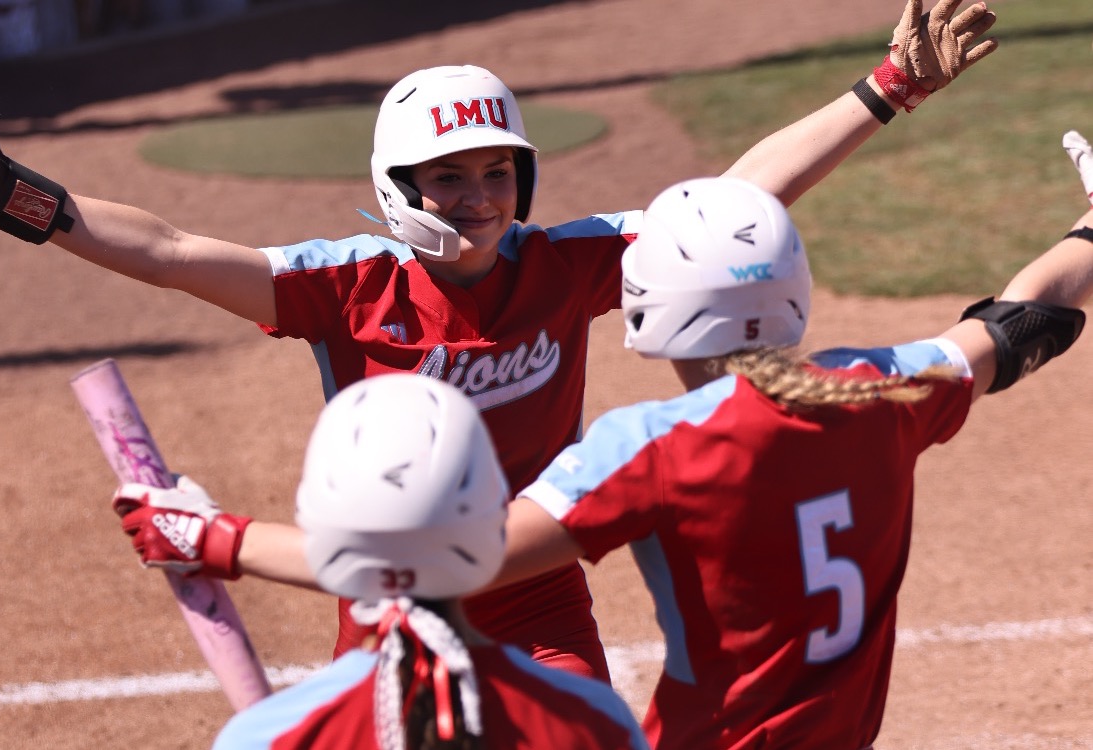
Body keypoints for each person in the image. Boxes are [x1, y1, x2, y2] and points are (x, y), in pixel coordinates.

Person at [0, 0, 998, 681]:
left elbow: (729, 196)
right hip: (394, 597)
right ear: (397, 186)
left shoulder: (563, 262)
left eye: (495, 173)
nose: (476, 196)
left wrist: (887, 87)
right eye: (448, 178)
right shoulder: (345, 283)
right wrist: (17, 198)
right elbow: (168, 249)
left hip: (538, 588)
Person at [137, 158, 1093, 748]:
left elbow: (437, 561)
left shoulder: (650, 447)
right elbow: (1020, 325)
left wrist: (211, 535)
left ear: (647, 311)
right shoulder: (882, 389)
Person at [121, 374, 648, 749]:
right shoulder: (593, 720)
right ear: (496, 520)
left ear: (323, 529)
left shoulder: (267, 736)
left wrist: (217, 538)